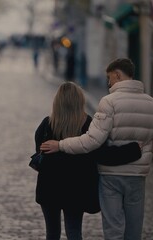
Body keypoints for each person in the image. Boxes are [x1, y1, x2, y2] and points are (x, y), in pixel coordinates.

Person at [40, 58, 153, 240]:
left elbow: (93, 141)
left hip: (110, 175)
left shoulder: (109, 102)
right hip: (138, 174)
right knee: (134, 227)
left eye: (110, 78)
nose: (108, 83)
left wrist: (60, 145)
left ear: (118, 75)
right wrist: (139, 154)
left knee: (113, 229)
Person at [34, 82, 142, 240]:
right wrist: (133, 150)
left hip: (49, 188)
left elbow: (39, 151)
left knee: (52, 233)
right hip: (76, 189)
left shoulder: (46, 125)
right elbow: (103, 154)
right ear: (80, 101)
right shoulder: (88, 125)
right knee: (74, 232)